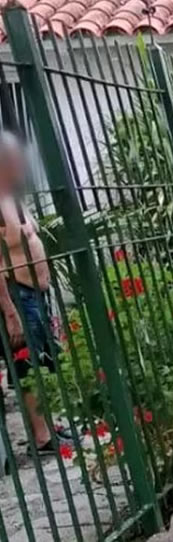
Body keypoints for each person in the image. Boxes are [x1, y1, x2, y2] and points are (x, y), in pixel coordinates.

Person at [0, 131, 59, 454]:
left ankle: (50, 427)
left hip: (36, 294)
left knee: (45, 363)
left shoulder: (11, 194)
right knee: (28, 366)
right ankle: (41, 436)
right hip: (18, 292)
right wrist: (8, 310)